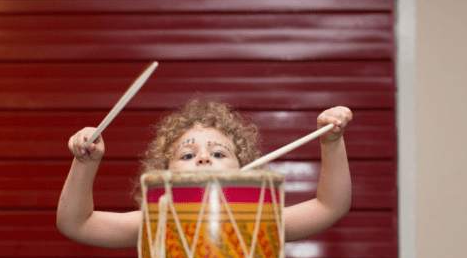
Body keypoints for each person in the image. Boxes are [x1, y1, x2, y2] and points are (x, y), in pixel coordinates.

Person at [57, 98, 352, 248]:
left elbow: (331, 205)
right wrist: (85, 163)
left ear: (243, 168)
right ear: (164, 172)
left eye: (218, 153)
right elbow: (76, 224)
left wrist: (331, 141)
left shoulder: (259, 219)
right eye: (187, 154)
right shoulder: (156, 222)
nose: (203, 157)